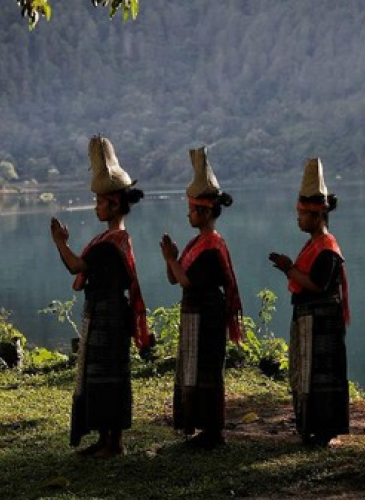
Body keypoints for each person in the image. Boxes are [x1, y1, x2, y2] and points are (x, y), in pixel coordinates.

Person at [50, 135, 149, 458]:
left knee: (109, 375)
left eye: (100, 202)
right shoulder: (112, 239)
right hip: (106, 313)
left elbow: (76, 266)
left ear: (114, 204)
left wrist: (60, 242)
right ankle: (106, 439)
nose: (96, 207)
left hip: (109, 315)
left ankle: (114, 442)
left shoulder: (110, 243)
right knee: (103, 374)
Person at [159, 146, 243, 450]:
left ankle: (213, 431)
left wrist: (171, 260)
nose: (189, 214)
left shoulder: (211, 245)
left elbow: (188, 282)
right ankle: (201, 428)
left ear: (205, 211)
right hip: (194, 314)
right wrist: (171, 258)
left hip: (207, 313)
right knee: (193, 367)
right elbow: (176, 278)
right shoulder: (198, 242)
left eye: (193, 210)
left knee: (208, 369)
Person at [268, 157, 350, 447]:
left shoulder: (327, 248)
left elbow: (317, 284)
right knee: (306, 375)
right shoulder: (315, 245)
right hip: (309, 321)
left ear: (318, 216)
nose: (298, 218)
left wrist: (289, 269)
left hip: (322, 324)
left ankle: (324, 431)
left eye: (303, 214)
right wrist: (289, 268)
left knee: (322, 378)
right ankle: (311, 427)